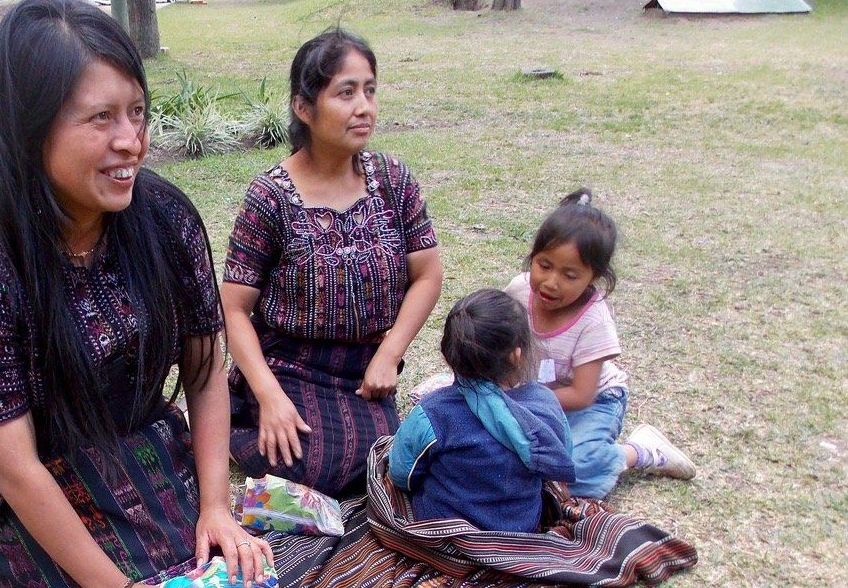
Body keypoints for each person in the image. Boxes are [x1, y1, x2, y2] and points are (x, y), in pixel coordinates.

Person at [0, 0, 271, 588]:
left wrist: (214, 505)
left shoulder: (164, 216)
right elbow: (14, 467)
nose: (130, 142)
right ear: (31, 130)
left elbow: (205, 373)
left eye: (136, 112)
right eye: (99, 119)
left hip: (148, 454)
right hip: (37, 495)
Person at [223, 28, 443, 498]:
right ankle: (234, 416)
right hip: (290, 364)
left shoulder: (393, 179)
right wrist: (269, 395)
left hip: (364, 370)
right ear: (305, 108)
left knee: (384, 463)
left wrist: (388, 355)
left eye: (369, 90)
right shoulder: (271, 196)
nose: (364, 107)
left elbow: (427, 275)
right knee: (313, 462)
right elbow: (233, 308)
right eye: (346, 93)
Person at [505, 189, 696, 499]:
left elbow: (581, 395)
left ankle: (640, 452)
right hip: (532, 398)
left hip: (591, 403)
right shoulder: (517, 291)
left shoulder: (593, 321)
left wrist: (517, 401)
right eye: (544, 265)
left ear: (594, 277)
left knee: (573, 475)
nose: (552, 282)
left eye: (569, 275)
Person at [389, 289, 576, 532]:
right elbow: (561, 457)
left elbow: (401, 473)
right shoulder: (546, 405)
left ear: (449, 355)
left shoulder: (432, 413)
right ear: (517, 355)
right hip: (520, 533)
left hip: (444, 538)